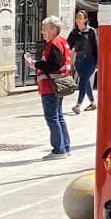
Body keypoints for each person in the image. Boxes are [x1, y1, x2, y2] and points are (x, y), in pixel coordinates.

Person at [25, 16, 73, 157]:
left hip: (51, 86)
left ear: (53, 29)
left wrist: (36, 64)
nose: (42, 32)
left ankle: (59, 150)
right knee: (58, 116)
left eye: (44, 29)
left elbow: (54, 64)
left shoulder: (54, 44)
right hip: (58, 85)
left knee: (52, 118)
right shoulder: (62, 42)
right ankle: (65, 147)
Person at [68, 9, 98, 114]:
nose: (78, 19)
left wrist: (97, 62)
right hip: (79, 60)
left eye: (80, 17)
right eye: (77, 17)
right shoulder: (74, 33)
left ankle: (78, 105)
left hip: (90, 59)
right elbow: (68, 46)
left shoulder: (91, 31)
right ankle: (93, 103)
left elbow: (96, 46)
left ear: (85, 19)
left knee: (83, 81)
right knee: (85, 82)